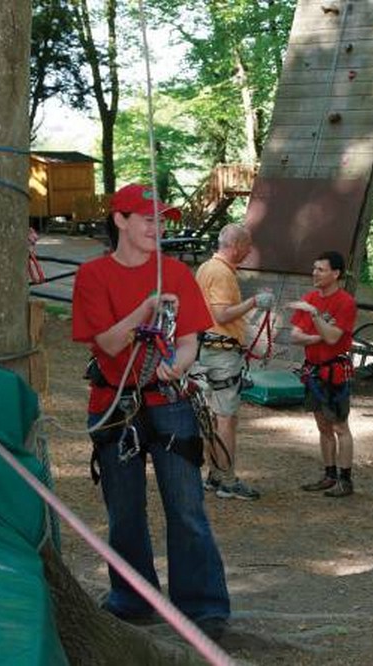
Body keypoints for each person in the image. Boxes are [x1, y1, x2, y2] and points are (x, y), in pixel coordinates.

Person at [71, 183, 229, 636]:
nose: (157, 228)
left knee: (186, 507)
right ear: (120, 220)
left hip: (170, 404)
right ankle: (133, 599)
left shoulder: (176, 273)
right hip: (115, 405)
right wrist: (144, 309)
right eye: (148, 220)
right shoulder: (94, 276)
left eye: (162, 221)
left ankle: (202, 606)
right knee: (125, 510)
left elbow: (189, 342)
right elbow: (106, 342)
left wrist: (174, 368)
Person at [191, 222, 268, 500]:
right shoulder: (222, 274)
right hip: (221, 353)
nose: (249, 252)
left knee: (214, 417)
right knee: (226, 418)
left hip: (206, 349)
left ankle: (214, 474)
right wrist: (254, 302)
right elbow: (222, 315)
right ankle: (227, 480)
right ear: (235, 246)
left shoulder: (206, 268)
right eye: (247, 247)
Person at [290, 251, 358, 497]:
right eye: (314, 268)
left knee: (340, 426)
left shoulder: (345, 302)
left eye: (321, 269)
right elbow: (295, 336)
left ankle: (345, 480)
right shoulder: (309, 298)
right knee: (322, 426)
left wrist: (315, 314)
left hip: (335, 371)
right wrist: (319, 335)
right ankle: (329, 475)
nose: (314, 273)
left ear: (335, 273)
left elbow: (333, 338)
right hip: (313, 370)